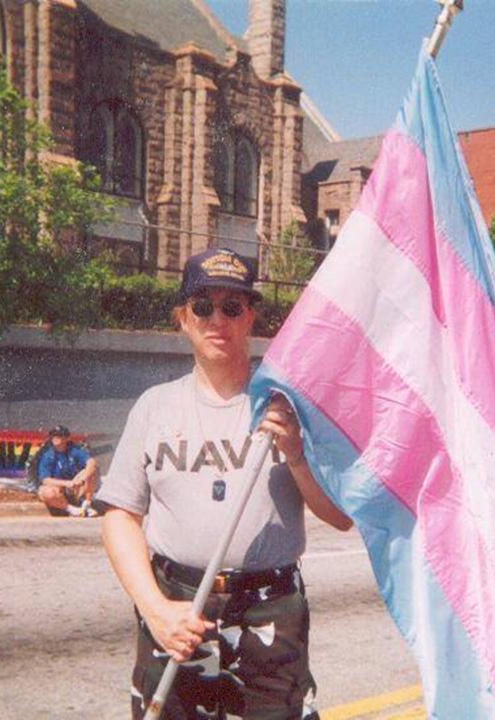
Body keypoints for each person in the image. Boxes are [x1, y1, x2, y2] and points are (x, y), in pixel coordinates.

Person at [96, 247, 352, 720]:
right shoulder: (155, 407)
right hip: (176, 608)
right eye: (203, 306)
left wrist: (296, 451)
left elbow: (339, 516)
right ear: (182, 318)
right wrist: (154, 608)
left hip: (268, 613)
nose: (218, 318)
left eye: (233, 306)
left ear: (251, 315)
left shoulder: (289, 408)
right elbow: (120, 516)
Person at [36, 425, 99, 517]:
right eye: (54, 436)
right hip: (60, 489)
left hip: (77, 488)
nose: (56, 438)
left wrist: (81, 480)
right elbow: (45, 480)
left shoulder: (75, 450)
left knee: (93, 469)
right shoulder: (48, 455)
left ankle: (87, 504)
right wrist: (67, 483)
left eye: (60, 435)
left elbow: (91, 462)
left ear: (67, 438)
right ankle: (72, 510)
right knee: (44, 492)